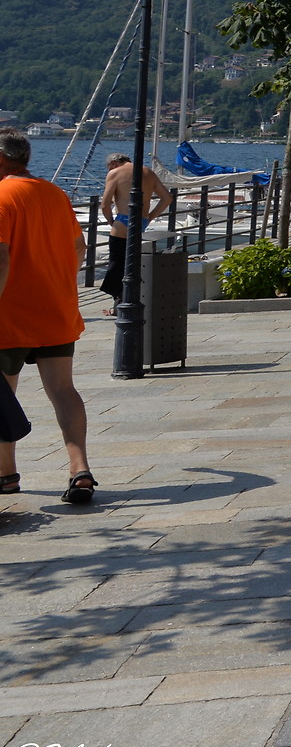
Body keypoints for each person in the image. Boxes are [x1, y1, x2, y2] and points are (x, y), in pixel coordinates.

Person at [0, 129, 96, 504]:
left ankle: (7, 474)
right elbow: (79, 247)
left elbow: (2, 258)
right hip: (55, 310)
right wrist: (57, 283)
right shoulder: (55, 194)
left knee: (3, 394)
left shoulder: (2, 196)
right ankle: (80, 468)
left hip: (10, 314)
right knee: (63, 391)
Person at [97, 154, 167, 318]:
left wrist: (111, 221)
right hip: (140, 222)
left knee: (116, 265)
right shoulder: (148, 172)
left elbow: (105, 204)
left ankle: (119, 305)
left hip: (122, 221)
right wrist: (150, 217)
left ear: (113, 163)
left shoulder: (115, 173)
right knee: (131, 266)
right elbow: (167, 198)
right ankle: (124, 303)